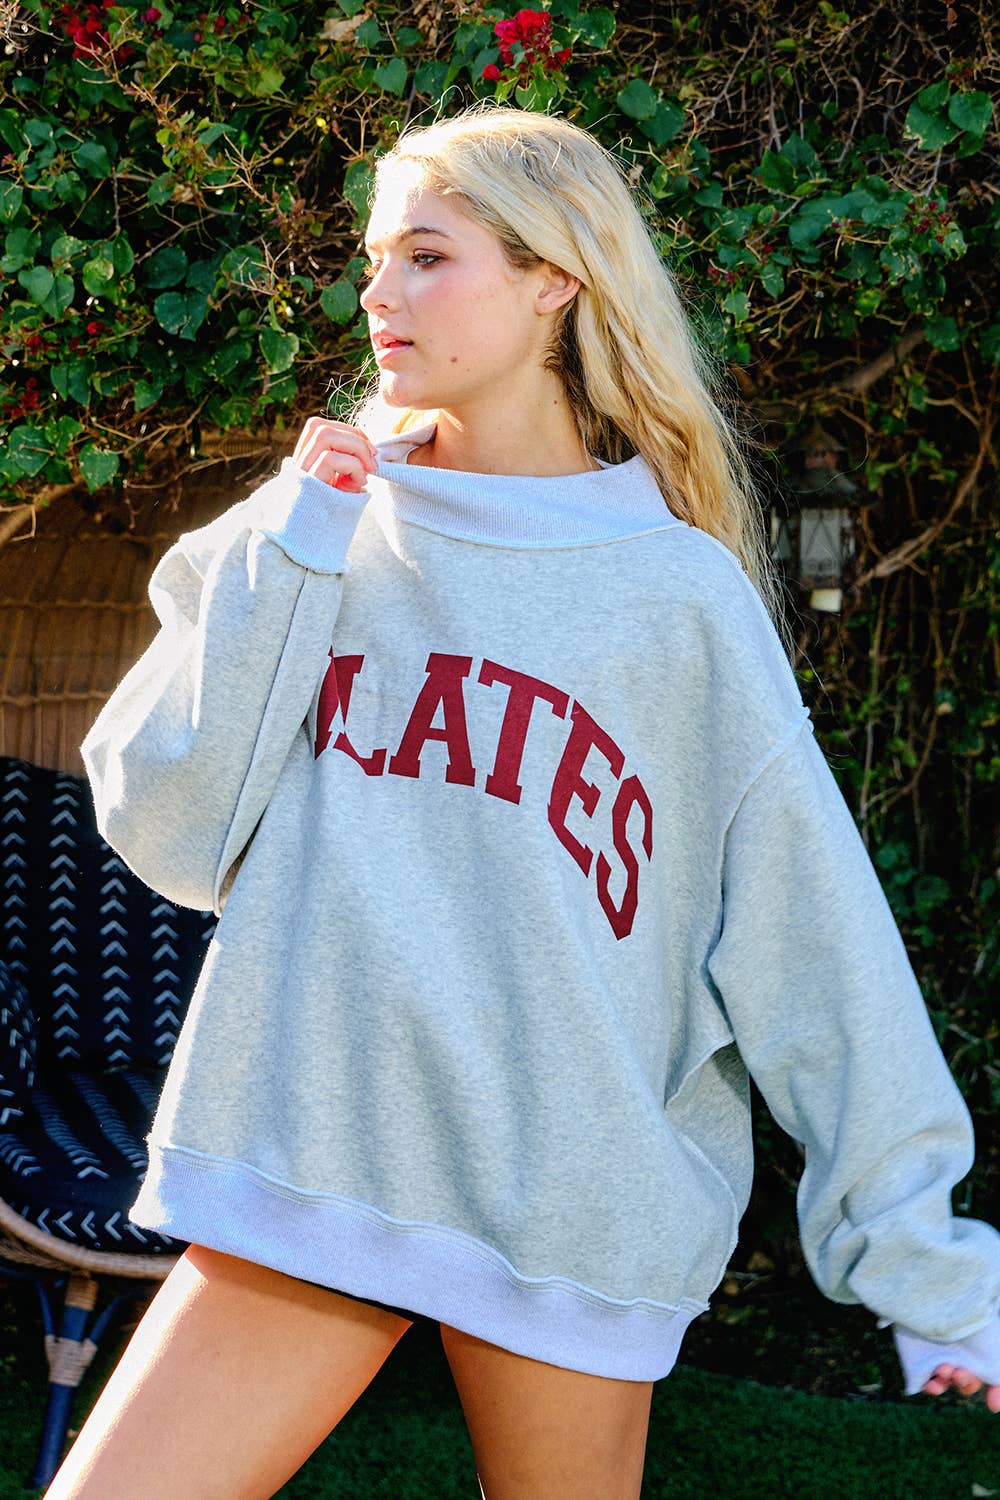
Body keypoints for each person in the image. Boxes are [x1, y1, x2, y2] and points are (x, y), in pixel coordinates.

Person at [49, 103, 1000, 1500]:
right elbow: (168, 826)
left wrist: (927, 1269)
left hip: (574, 1201)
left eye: (427, 255)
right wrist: (297, 546)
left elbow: (814, 944)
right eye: (374, 258)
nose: (378, 292)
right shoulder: (315, 527)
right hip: (321, 1162)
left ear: (556, 277)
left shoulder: (679, 601)